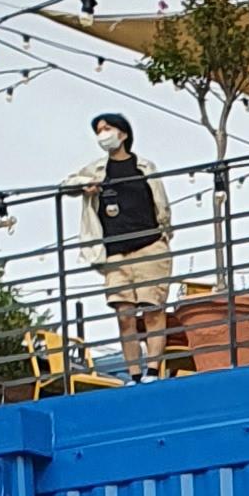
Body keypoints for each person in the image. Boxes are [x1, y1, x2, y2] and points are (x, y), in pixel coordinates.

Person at [71, 113, 174, 380]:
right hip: (115, 253)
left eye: (107, 128)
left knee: (152, 310)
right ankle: (134, 374)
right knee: (124, 315)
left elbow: (162, 205)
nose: (102, 134)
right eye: (98, 131)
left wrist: (165, 235)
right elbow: (66, 185)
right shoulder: (96, 170)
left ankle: (153, 370)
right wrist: (85, 186)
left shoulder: (145, 166)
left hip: (150, 247)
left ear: (123, 133)